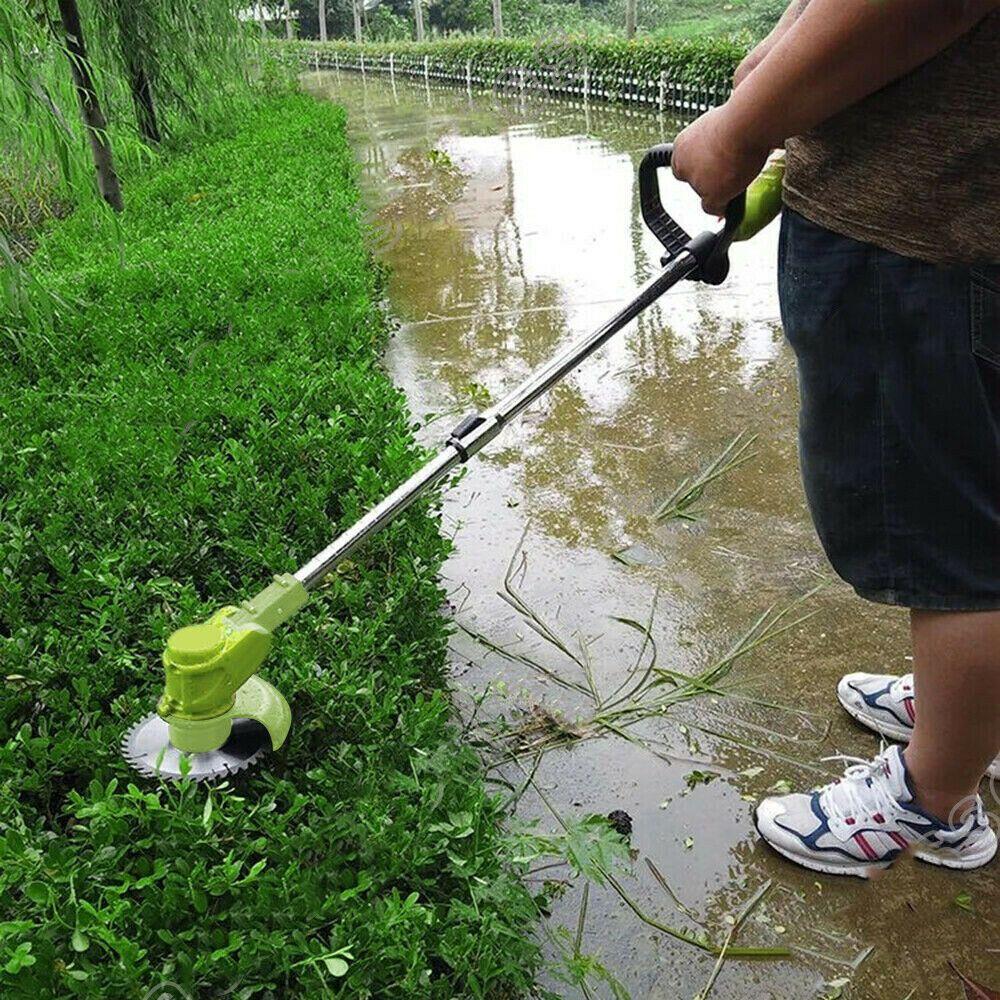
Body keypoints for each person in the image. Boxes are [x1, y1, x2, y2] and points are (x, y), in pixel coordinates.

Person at [671, 0, 1000, 876]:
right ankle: (965, 713)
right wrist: (781, 59)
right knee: (975, 499)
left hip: (924, 234)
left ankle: (937, 801)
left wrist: (744, 128)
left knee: (948, 546)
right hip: (960, 230)